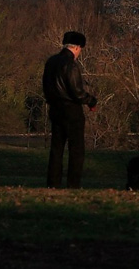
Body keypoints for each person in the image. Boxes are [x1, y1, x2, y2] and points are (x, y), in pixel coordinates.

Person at [42, 31, 97, 189]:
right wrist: (91, 100)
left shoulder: (51, 62)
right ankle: (73, 184)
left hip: (55, 109)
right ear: (77, 47)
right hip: (71, 111)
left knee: (56, 149)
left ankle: (53, 183)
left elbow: (46, 86)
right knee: (76, 150)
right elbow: (77, 92)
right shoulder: (71, 65)